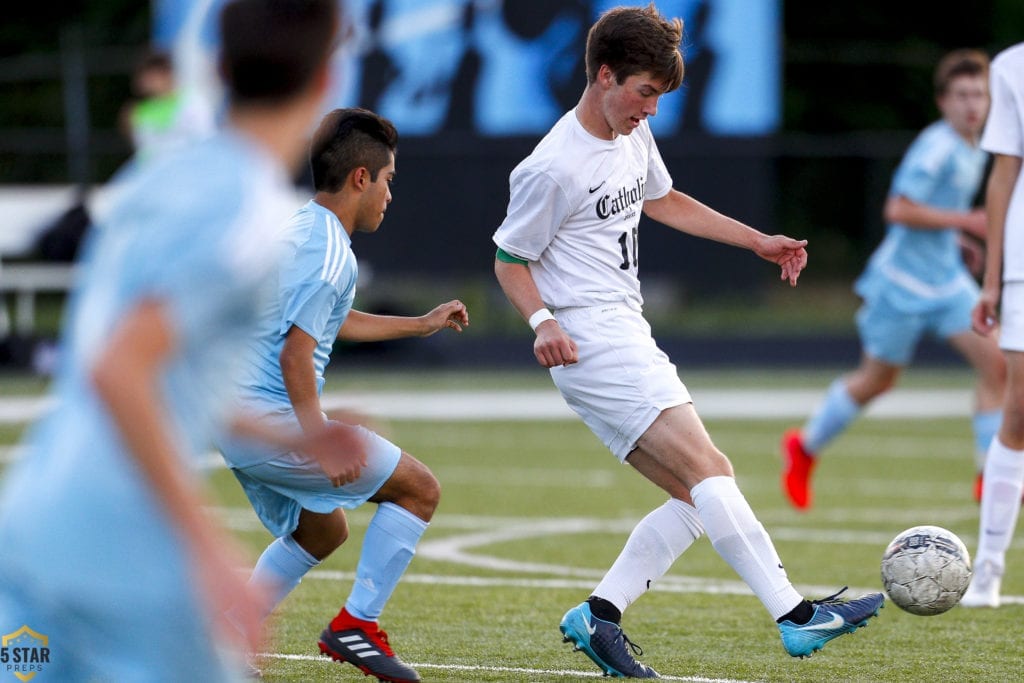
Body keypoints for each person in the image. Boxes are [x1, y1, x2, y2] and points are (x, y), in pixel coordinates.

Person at [492, 5, 883, 678]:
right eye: (644, 92)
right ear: (605, 75)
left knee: (699, 492)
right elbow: (508, 258)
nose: (651, 109)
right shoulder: (553, 165)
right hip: (592, 338)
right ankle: (795, 615)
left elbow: (665, 200)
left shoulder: (631, 133)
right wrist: (542, 322)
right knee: (709, 473)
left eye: (659, 98)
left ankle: (600, 615)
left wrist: (756, 239)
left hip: (622, 329)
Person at [0, 1, 356, 680]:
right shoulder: (251, 211)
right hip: (121, 558)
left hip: (32, 528)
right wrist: (208, 551)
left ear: (218, 69)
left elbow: (160, 372)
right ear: (326, 86)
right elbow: (120, 370)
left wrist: (290, 438)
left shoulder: (151, 181)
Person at [217, 107, 468, 682]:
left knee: (323, 528)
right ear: (361, 178)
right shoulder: (330, 251)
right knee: (419, 490)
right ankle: (356, 625)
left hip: (237, 419)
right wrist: (318, 435)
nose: (389, 195)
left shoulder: (305, 230)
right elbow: (295, 353)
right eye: (388, 180)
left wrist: (420, 323)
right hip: (272, 418)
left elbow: (332, 319)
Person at [781, 49, 1003, 510]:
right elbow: (898, 209)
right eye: (961, 95)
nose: (971, 105)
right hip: (900, 286)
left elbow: (930, 215)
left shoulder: (975, 146)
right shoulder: (937, 146)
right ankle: (804, 448)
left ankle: (990, 478)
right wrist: (968, 221)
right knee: (878, 381)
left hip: (947, 283)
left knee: (1000, 365)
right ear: (943, 101)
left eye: (979, 94)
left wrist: (957, 236)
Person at [961, 42, 1024, 609]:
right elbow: (1005, 176)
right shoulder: (1011, 67)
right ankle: (988, 569)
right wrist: (993, 278)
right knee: (1020, 409)